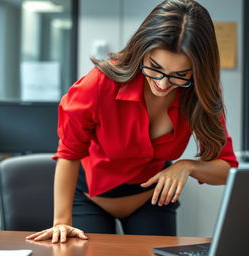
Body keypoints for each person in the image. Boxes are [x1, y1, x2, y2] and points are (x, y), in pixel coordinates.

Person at [26, 0, 238, 243]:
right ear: (142, 51)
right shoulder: (99, 84)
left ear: (198, 70)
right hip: (90, 196)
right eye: (155, 68)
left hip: (152, 198)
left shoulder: (201, 93)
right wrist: (61, 222)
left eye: (180, 75)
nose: (163, 84)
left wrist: (187, 166)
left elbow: (227, 168)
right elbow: (69, 154)